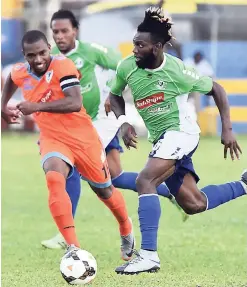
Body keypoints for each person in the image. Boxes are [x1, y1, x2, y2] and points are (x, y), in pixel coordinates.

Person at [107, 7, 246, 274]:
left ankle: (148, 256)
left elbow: (217, 88)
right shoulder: (127, 66)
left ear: (157, 47)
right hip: (162, 139)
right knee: (194, 203)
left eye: (140, 45)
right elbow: (114, 95)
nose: (134, 49)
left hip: (182, 133)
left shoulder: (177, 70)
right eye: (134, 43)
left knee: (145, 180)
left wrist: (227, 129)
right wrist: (123, 122)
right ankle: (244, 184)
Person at [41, 10, 187, 249]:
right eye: (55, 31)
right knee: (115, 177)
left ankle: (64, 234)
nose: (59, 36)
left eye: (64, 30)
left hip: (101, 121)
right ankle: (172, 192)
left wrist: (116, 94)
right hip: (80, 125)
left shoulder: (90, 51)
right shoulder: (52, 57)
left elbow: (123, 66)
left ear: (75, 31)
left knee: (73, 167)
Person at [1, 30, 135, 261]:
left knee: (104, 190)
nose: (39, 59)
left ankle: (126, 227)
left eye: (43, 52)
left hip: (83, 137)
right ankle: (74, 249)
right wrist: (3, 107)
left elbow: (75, 102)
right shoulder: (21, 71)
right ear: (24, 55)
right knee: (54, 178)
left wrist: (36, 107)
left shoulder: (63, 66)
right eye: (32, 55)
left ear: (49, 49)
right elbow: (11, 80)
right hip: (53, 138)